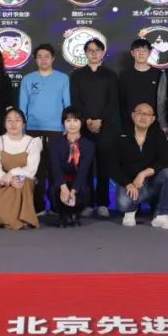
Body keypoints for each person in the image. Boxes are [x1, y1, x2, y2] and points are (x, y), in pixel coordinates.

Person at [68, 38, 119, 217]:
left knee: (104, 166)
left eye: (97, 50)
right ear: (85, 53)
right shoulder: (77, 75)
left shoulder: (111, 75)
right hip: (84, 127)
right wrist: (88, 120)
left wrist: (100, 120)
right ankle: (88, 203)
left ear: (103, 52)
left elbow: (113, 101)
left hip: (105, 127)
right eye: (90, 50)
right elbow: (76, 100)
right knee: (85, 166)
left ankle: (103, 203)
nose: (94, 53)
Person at [19, 43, 71, 213]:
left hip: (57, 129)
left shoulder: (63, 78)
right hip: (33, 129)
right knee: (37, 170)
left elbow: (67, 105)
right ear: (35, 59)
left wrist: (68, 126)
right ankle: (38, 206)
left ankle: (56, 206)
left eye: (46, 56)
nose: (43, 60)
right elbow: (22, 106)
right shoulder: (28, 79)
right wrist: (22, 129)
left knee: (56, 170)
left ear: (53, 58)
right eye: (39, 57)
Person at [113, 102, 168, 229]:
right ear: (133, 115)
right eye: (140, 113)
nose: (143, 117)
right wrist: (128, 183)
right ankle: (131, 211)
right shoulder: (120, 135)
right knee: (123, 204)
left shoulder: (158, 135)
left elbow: (164, 161)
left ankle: (161, 215)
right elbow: (113, 166)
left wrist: (144, 173)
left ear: (153, 119)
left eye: (147, 114)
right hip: (131, 183)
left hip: (152, 182)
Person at [0, 108, 42, 230]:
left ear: (23, 124)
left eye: (17, 120)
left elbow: (31, 169)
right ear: (4, 124)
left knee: (22, 181)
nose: (13, 124)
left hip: (25, 182)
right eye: (9, 120)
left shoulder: (32, 142)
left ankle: (24, 217)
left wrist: (12, 173)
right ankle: (13, 217)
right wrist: (8, 179)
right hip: (3, 183)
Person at [47, 107, 96, 227]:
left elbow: (83, 170)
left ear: (81, 122)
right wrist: (64, 189)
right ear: (63, 123)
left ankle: (75, 213)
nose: (72, 124)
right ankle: (62, 214)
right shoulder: (55, 143)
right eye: (68, 121)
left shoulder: (89, 145)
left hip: (78, 183)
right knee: (55, 190)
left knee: (83, 190)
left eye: (75, 120)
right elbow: (56, 168)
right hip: (61, 182)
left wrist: (73, 191)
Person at [119, 38, 162, 133]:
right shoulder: (124, 75)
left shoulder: (158, 74)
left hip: (152, 123)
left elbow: (162, 100)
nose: (141, 53)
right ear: (132, 53)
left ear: (149, 53)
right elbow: (121, 101)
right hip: (129, 123)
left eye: (144, 50)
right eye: (138, 50)